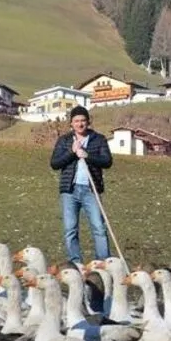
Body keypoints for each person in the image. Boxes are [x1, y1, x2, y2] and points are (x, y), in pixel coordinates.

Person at [49, 105, 114, 265]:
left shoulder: (98, 139)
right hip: (69, 191)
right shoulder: (64, 141)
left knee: (99, 227)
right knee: (70, 229)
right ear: (71, 123)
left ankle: (103, 263)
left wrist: (88, 155)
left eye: (83, 120)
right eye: (76, 121)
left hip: (91, 190)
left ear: (88, 122)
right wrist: (72, 152)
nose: (80, 124)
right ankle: (76, 263)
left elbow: (107, 161)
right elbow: (55, 163)